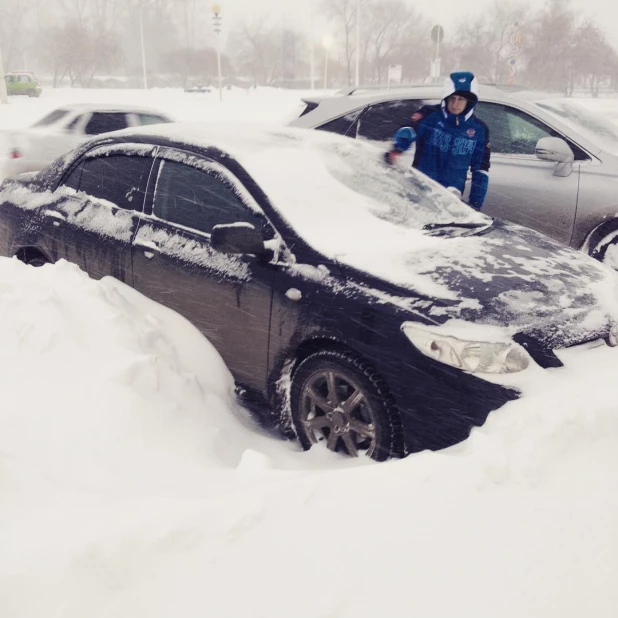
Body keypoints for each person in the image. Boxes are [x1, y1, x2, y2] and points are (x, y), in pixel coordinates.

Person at [385, 71, 491, 210]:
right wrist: (398, 149)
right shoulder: (430, 115)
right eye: (452, 98)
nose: (455, 104)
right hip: (419, 190)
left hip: (450, 197)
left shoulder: (479, 129)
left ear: (470, 102)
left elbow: (481, 170)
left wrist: (476, 204)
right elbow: (409, 130)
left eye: (461, 99)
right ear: (446, 97)